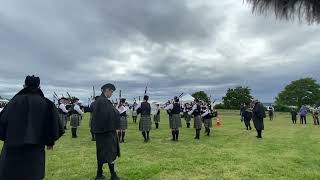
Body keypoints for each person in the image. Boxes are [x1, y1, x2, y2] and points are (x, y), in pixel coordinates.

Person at [0, 75, 64, 180]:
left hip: (12, 148)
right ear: (39, 86)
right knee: (32, 174)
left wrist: (8, 137)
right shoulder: (46, 103)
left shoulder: (14, 101)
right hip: (35, 149)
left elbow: (2, 122)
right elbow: (53, 125)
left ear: (24, 85)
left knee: (12, 174)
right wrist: (50, 142)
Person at [92, 83, 120, 180]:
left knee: (101, 153)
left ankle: (99, 174)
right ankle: (113, 175)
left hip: (102, 132)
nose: (111, 93)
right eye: (111, 91)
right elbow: (106, 117)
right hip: (107, 132)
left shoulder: (101, 101)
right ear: (107, 90)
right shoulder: (103, 101)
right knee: (110, 153)